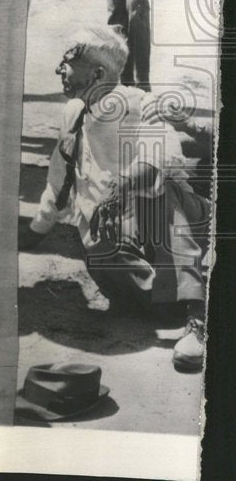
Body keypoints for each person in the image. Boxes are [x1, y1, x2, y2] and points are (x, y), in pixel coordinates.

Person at [29, 26, 210, 371]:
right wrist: (38, 227)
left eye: (66, 62)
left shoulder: (142, 105)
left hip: (170, 226)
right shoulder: (73, 112)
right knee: (109, 253)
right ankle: (166, 300)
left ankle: (196, 321)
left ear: (97, 73)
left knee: (161, 195)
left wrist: (121, 187)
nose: (58, 70)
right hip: (115, 236)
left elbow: (158, 159)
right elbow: (59, 174)